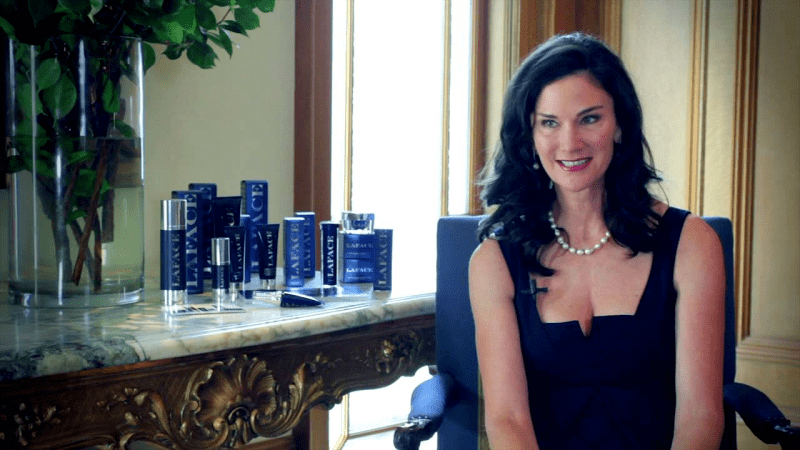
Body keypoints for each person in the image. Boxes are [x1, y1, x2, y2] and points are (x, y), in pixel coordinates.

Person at [469, 32, 725, 449]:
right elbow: (507, 420)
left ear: (620, 124)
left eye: (589, 119)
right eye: (549, 123)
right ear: (529, 135)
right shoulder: (494, 260)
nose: (570, 143)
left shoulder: (692, 243)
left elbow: (701, 414)